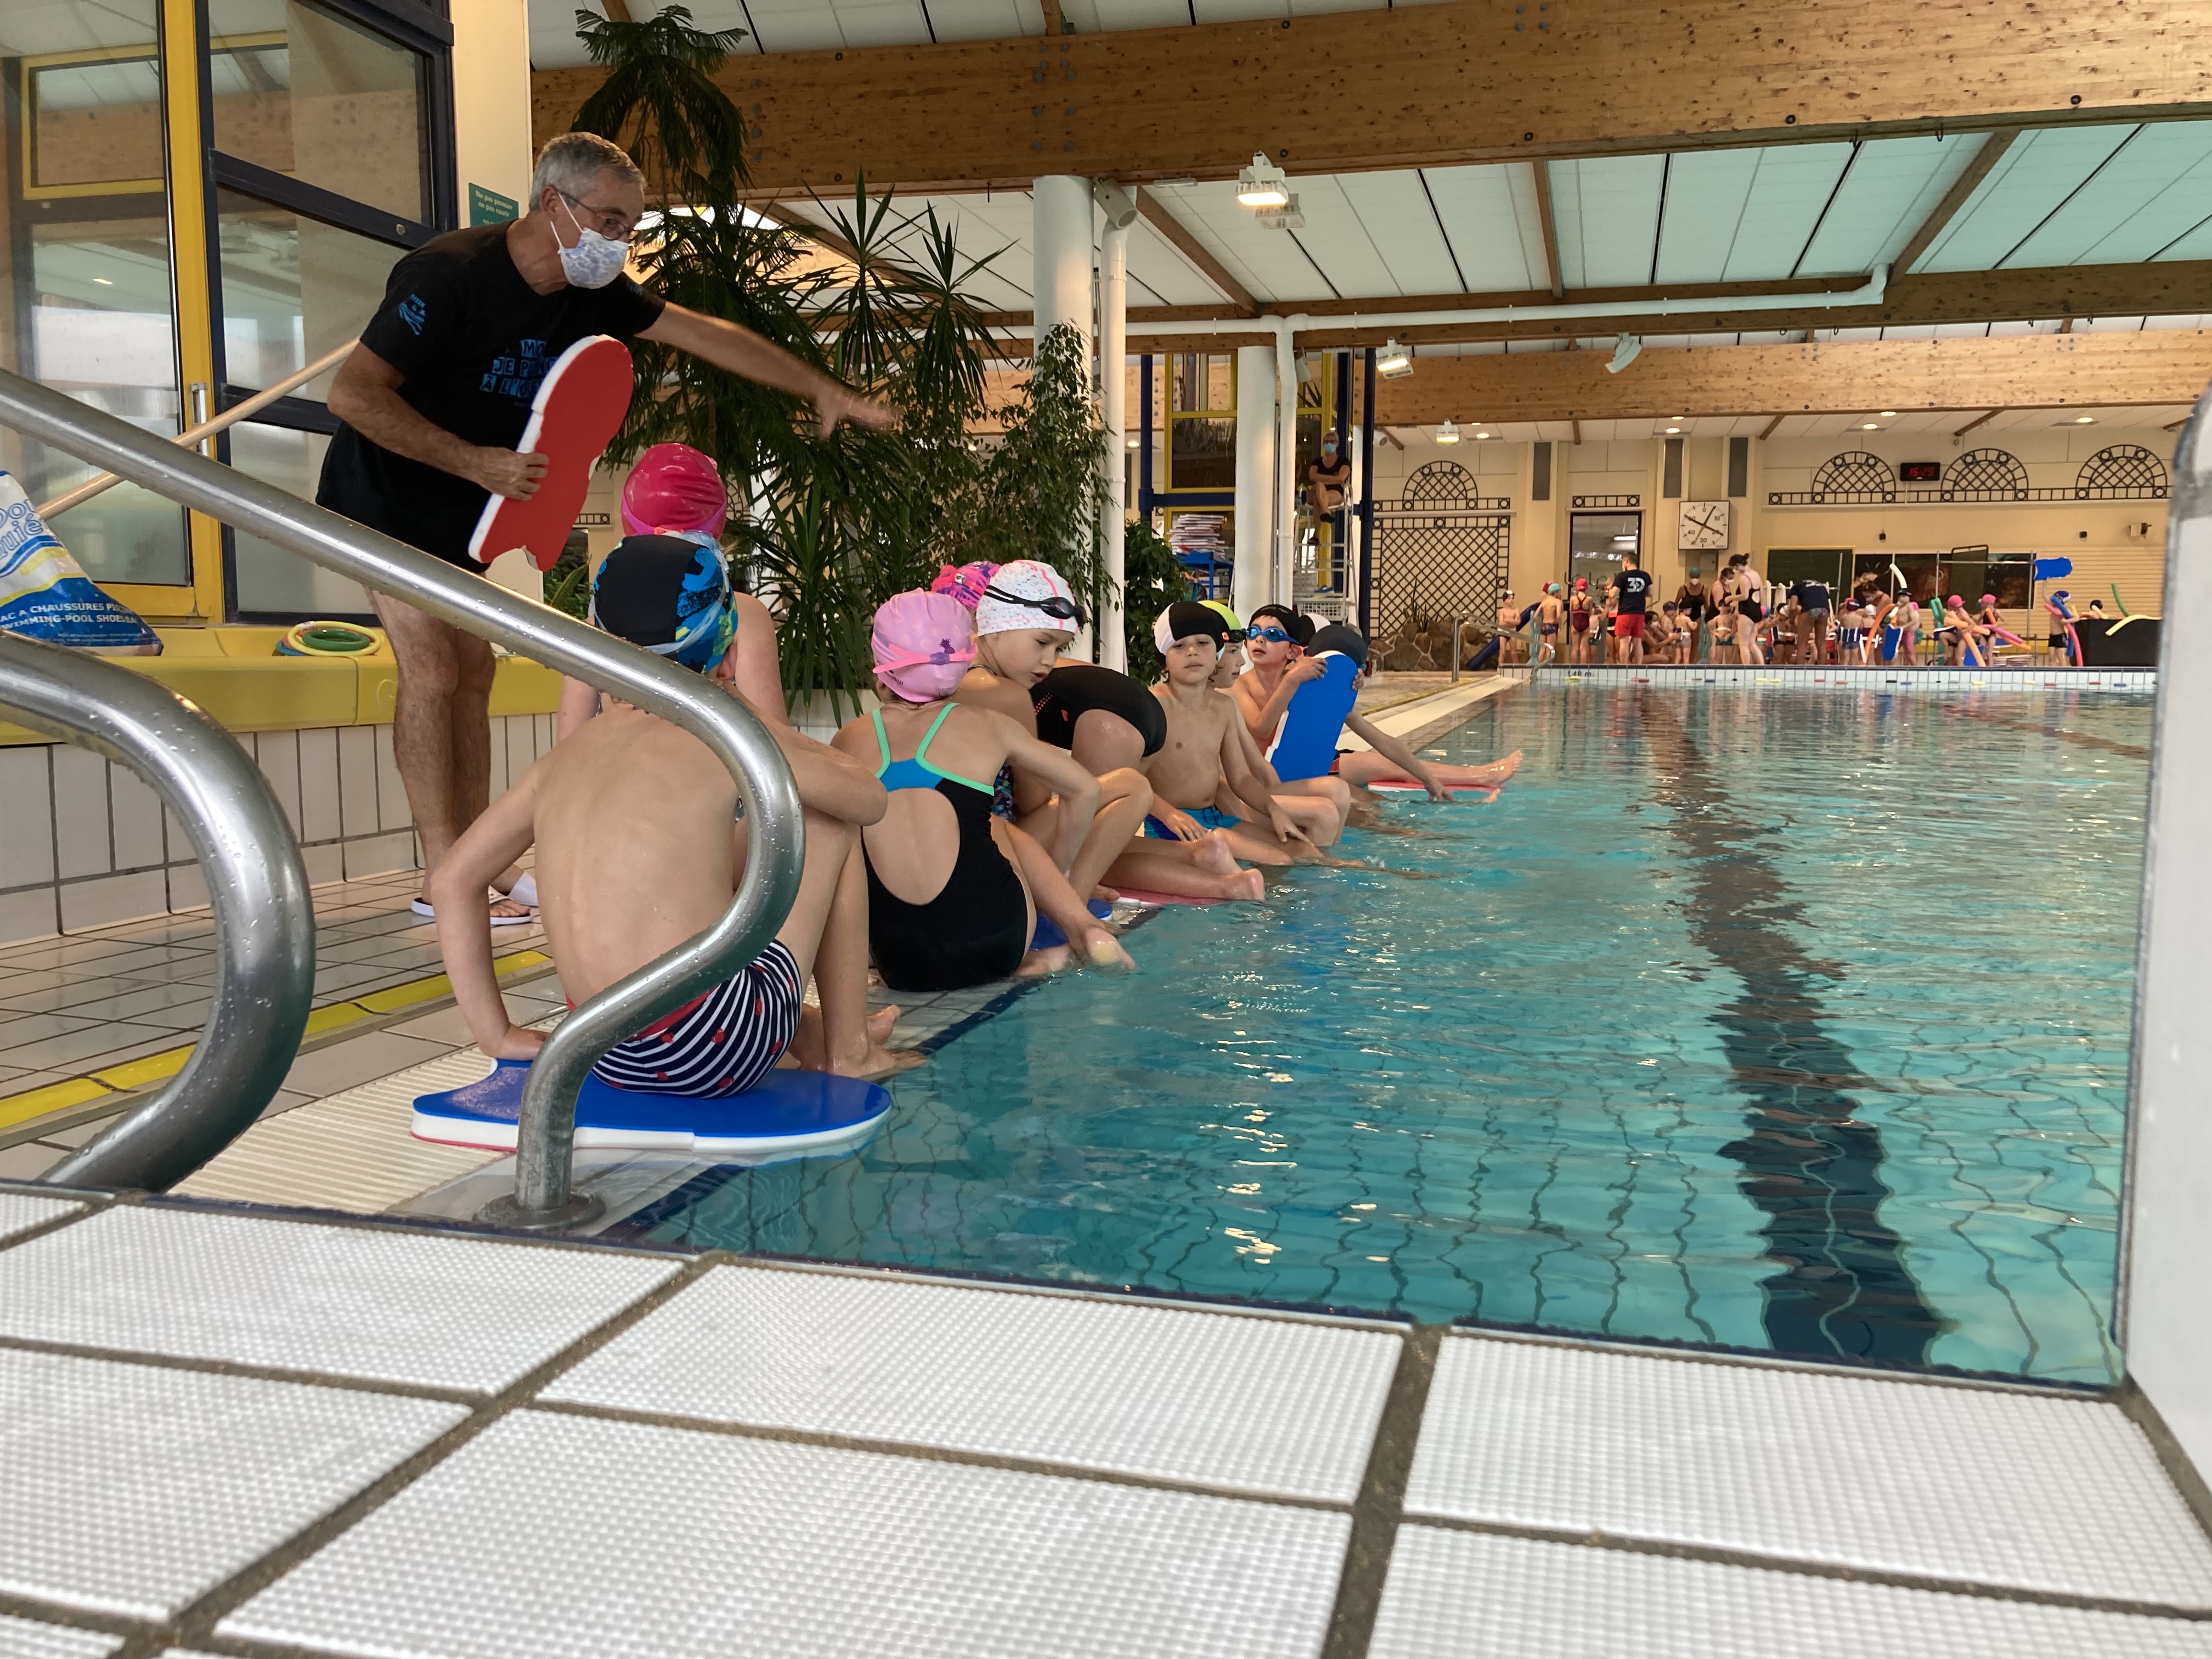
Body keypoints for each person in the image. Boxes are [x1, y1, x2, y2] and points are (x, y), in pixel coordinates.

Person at [319, 131, 895, 925]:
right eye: (612, 221)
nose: (622, 241)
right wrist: (475, 462)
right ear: (554, 205)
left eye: (632, 226)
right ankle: (442, 868)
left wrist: (817, 387)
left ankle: (480, 861)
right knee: (433, 669)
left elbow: (704, 334)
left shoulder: (592, 290)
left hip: (468, 508)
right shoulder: (448, 276)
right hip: (384, 498)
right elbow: (352, 396)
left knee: (474, 672)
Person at [427, 537, 909, 1090]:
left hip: (596, 1046)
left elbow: (451, 882)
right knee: (824, 819)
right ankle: (849, 1053)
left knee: (719, 869)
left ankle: (811, 1030)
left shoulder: (560, 760)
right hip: (712, 1048)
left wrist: (497, 1035)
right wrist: (748, 717)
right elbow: (867, 799)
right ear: (727, 652)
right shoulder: (721, 737)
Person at [836, 590, 1134, 988]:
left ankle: (1034, 960)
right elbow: (1083, 789)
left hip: (900, 961)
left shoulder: (848, 740)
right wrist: (1061, 867)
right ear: (964, 660)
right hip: (998, 938)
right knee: (994, 824)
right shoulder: (989, 725)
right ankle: (1079, 929)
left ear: (881, 669)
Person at [955, 562, 1259, 904]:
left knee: (1094, 825)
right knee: (1128, 789)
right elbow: (1033, 801)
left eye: (1057, 649)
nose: (1049, 661)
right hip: (991, 850)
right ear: (994, 627)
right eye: (1042, 643)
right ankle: (1070, 898)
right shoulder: (1007, 694)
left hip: (963, 844)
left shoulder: (950, 676)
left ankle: (1076, 882)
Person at [1146, 602, 1314, 866]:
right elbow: (1131, 777)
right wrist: (1168, 814)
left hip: (1214, 818)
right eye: (1179, 646)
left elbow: (1241, 778)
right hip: (1170, 825)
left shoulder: (1223, 707)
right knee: (1279, 861)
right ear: (1164, 659)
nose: (1192, 651)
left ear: (1217, 654)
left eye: (1203, 643)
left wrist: (1274, 811)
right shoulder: (1153, 706)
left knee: (1305, 851)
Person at [1612, 553, 1654, 664]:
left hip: (1625, 612)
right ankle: (1638, 666)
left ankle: (1624, 666)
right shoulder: (1645, 576)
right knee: (1638, 641)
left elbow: (1613, 594)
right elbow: (1651, 593)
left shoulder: (1622, 576)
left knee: (1624, 642)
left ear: (1626, 561)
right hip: (1640, 612)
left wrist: (1610, 589)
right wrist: (1639, 594)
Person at [1307, 430, 1353, 522]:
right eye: (1327, 442)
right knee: (1319, 486)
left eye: (1332, 442)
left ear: (1337, 444)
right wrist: (1335, 479)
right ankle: (1326, 512)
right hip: (1316, 490)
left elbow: (1342, 478)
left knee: (1318, 498)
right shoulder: (1317, 462)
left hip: (1335, 492)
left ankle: (1317, 531)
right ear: (1323, 444)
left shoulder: (1343, 461)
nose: (1329, 444)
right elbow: (1312, 476)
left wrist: (1321, 479)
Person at [1790, 573, 1833, 664]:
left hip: (1810, 610)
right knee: (1821, 643)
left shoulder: (1796, 587)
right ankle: (1823, 669)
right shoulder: (1822, 587)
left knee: (1802, 643)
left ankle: (1800, 670)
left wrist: (1792, 621)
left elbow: (1793, 608)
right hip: (1824, 610)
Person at [1496, 591, 1523, 665]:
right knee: (1503, 652)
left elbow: (1518, 622)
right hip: (1503, 632)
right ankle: (1500, 669)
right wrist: (1513, 621)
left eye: (1512, 599)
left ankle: (1517, 668)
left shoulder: (1516, 610)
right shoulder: (1502, 611)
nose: (1511, 600)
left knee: (1514, 652)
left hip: (1512, 631)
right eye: (1509, 599)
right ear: (1505, 601)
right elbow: (1501, 623)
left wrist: (1507, 620)